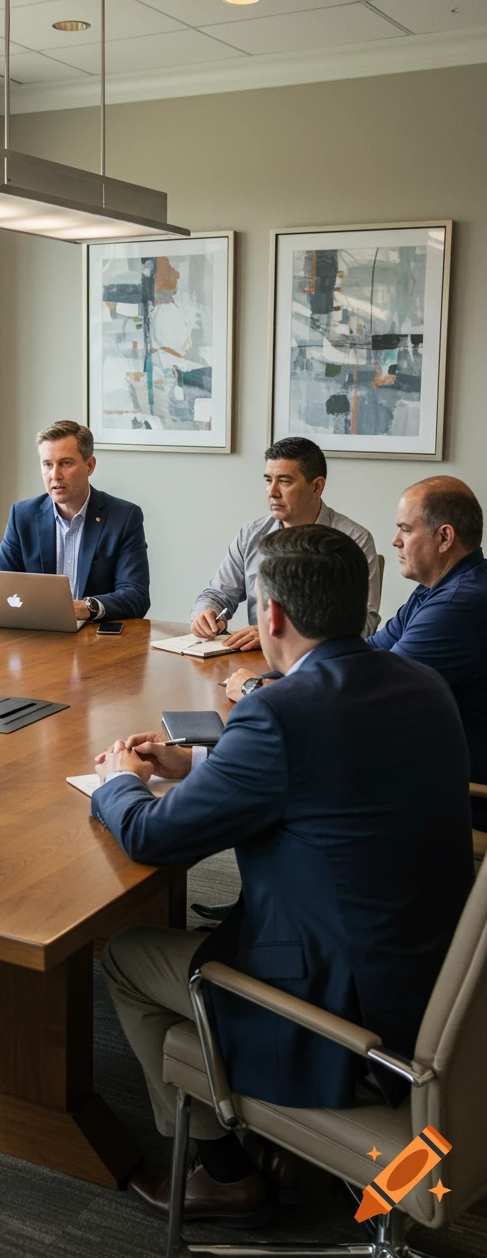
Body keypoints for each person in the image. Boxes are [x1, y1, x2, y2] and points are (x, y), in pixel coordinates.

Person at [91, 525, 472, 1226]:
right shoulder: (421, 684)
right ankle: (286, 1152)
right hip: (433, 981)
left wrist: (119, 782)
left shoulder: (276, 711)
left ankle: (224, 1168)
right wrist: (199, 767)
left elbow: (151, 836)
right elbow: (331, 781)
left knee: (122, 958)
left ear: (269, 615)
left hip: (339, 1014)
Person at [366, 476, 487, 826]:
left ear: (445, 537)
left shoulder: (457, 606)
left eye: (405, 529)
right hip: (434, 768)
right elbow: (370, 652)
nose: (395, 540)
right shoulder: (439, 588)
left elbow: (371, 691)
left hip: (463, 794)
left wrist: (274, 683)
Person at [191, 436, 381, 651]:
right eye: (268, 480)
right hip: (256, 659)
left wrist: (278, 636)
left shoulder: (354, 539)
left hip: (321, 664)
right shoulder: (251, 535)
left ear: (317, 487)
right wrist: (206, 613)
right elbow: (217, 594)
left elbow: (365, 623)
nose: (272, 492)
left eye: (284, 481)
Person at [0, 420, 150, 622]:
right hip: (37, 635)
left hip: (95, 641)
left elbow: (136, 595)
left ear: (89, 465)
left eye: (65, 463)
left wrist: (87, 608)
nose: (55, 475)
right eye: (47, 464)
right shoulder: (23, 515)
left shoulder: (124, 517)